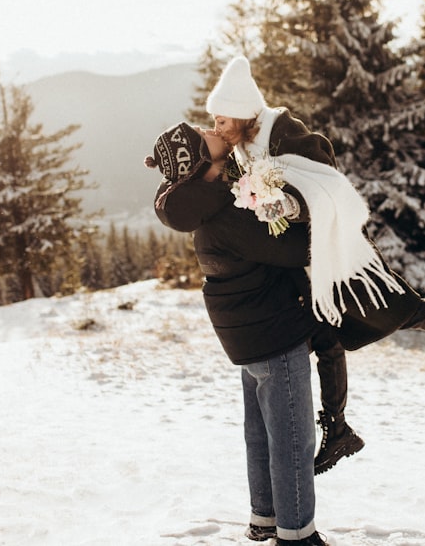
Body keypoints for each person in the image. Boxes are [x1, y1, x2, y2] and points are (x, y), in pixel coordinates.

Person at [205, 56, 425, 472]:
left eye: (221, 120)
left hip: (339, 251)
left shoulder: (283, 131)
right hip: (308, 265)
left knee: (402, 310)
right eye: (214, 123)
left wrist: (290, 202)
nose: (218, 129)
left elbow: (326, 176)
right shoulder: (244, 149)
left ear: (240, 113)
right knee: (325, 337)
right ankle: (338, 429)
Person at [146, 122, 326, 546]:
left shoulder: (209, 205)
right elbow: (296, 249)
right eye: (204, 133)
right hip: (272, 333)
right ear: (200, 161)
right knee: (293, 440)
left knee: (261, 433)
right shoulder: (227, 213)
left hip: (248, 335)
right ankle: (297, 535)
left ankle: (264, 518)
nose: (214, 128)